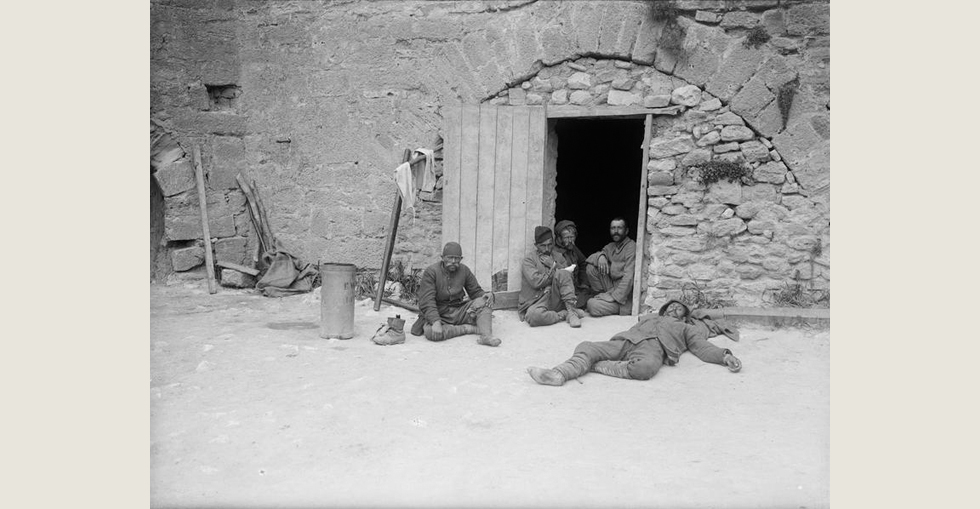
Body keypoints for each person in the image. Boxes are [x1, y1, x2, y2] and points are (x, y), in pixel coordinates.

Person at [526, 300, 742, 386]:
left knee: (645, 369)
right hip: (626, 341)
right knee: (587, 346)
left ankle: (594, 366)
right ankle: (558, 374)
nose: (673, 310)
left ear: (684, 317)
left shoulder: (686, 328)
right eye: (671, 307)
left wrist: (725, 356)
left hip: (654, 348)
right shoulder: (648, 318)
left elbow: (702, 348)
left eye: (679, 310)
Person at [410, 242, 501, 347]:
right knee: (431, 333)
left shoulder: (464, 270)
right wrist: (435, 321)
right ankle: (469, 328)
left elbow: (475, 291)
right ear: (442, 258)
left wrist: (486, 295)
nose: (453, 262)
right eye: (450, 258)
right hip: (440, 313)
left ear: (461, 259)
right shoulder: (431, 272)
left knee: (484, 302)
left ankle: (486, 336)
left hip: (459, 310)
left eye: (457, 258)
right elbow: (427, 301)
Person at [518, 226, 588, 328]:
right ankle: (563, 315)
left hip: (555, 298)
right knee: (533, 316)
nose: (547, 249)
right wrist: (555, 274)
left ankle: (572, 313)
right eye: (543, 245)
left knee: (563, 273)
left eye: (550, 244)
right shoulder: (529, 260)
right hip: (536, 301)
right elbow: (536, 282)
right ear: (536, 245)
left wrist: (554, 265)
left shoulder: (558, 256)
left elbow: (568, 278)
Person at [585, 217, 636, 317]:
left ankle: (607, 303)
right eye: (613, 228)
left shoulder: (631, 246)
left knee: (592, 305)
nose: (616, 231)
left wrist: (614, 297)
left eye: (619, 228)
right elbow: (589, 259)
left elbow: (629, 277)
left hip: (623, 296)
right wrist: (601, 256)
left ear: (626, 231)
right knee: (591, 268)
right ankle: (601, 296)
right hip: (611, 287)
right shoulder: (610, 246)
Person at [553, 219, 592, 309]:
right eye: (567, 238)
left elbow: (583, 263)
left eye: (572, 237)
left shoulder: (573, 248)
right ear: (559, 238)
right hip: (564, 292)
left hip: (577, 288)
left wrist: (584, 284)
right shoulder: (555, 253)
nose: (570, 240)